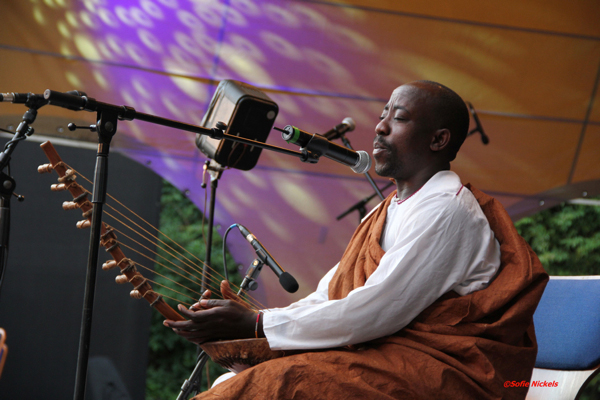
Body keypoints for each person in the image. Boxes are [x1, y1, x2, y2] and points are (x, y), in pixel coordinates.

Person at [164, 80, 548, 399]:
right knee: (231, 382)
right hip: (386, 351)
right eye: (383, 115)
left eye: (398, 118)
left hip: (447, 371)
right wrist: (257, 327)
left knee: (273, 385)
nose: (380, 127)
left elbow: (373, 311)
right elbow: (329, 297)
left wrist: (258, 324)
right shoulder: (383, 212)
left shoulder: (446, 210)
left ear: (438, 139)